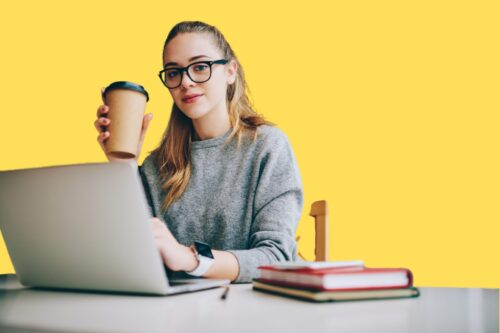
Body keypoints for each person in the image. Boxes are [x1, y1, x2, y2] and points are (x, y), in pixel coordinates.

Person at [94, 21, 303, 283]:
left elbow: (276, 258)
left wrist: (191, 258)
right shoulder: (155, 166)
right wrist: (121, 164)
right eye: (173, 72)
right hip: (173, 316)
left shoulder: (267, 147)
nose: (186, 82)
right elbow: (136, 260)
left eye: (200, 67)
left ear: (230, 71)